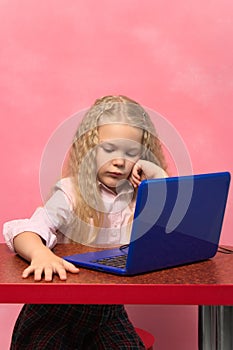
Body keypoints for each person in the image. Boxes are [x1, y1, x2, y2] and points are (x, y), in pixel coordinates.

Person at [3, 95, 168, 349]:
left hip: (107, 315)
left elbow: (167, 238)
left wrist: (157, 176)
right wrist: (40, 254)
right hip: (55, 314)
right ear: (90, 147)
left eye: (131, 152)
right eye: (109, 149)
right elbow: (25, 230)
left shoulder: (138, 197)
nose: (120, 161)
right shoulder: (72, 193)